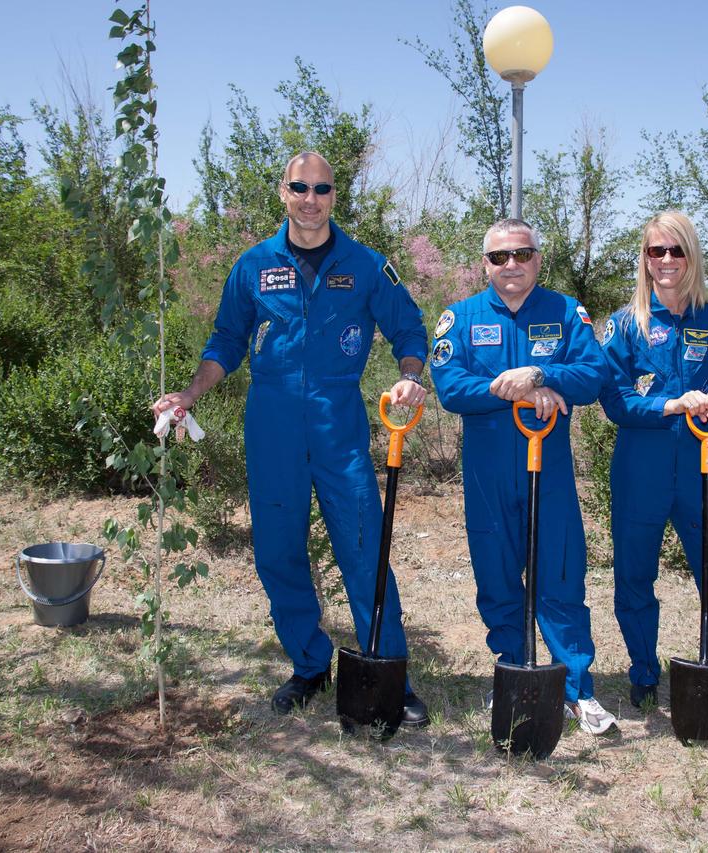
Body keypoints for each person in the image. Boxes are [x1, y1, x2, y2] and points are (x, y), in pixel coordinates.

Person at [153, 152, 431, 726]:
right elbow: (226, 341)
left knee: (363, 544)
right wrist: (189, 394)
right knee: (279, 550)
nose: (311, 198)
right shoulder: (254, 266)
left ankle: (388, 671)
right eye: (300, 187)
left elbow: (408, 327)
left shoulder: (367, 264)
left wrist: (409, 376)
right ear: (283, 192)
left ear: (334, 196)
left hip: (338, 421)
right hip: (272, 421)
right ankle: (309, 664)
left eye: (322, 188)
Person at [430, 218, 617, 735]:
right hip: (488, 472)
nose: (511, 265)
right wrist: (510, 388)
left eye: (522, 254)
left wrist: (542, 374)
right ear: (484, 263)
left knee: (559, 573)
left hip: (549, 469)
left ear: (538, 258)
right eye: (499, 257)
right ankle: (512, 670)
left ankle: (577, 688)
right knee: (497, 576)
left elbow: (593, 374)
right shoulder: (460, 317)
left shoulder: (564, 312)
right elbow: (450, 386)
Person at [597, 210, 708, 717]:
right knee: (634, 577)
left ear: (691, 257)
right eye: (655, 251)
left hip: (698, 469)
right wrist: (669, 405)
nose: (666, 261)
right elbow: (615, 401)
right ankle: (645, 672)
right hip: (639, 469)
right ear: (644, 260)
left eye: (676, 250)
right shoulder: (625, 326)